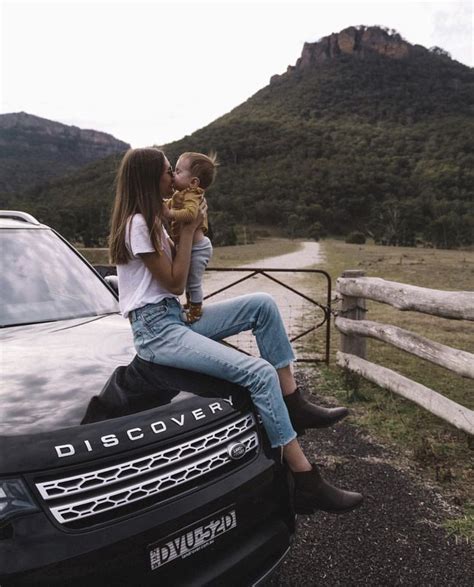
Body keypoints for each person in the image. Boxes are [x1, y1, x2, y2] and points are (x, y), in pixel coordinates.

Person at [109, 147, 363, 515]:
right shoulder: (137, 223)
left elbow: (178, 280)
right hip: (155, 331)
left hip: (170, 318)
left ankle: (294, 404)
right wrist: (190, 230)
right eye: (168, 171)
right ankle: (306, 480)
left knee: (261, 303)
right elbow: (176, 283)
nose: (172, 177)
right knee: (259, 374)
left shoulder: (153, 218)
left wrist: (191, 229)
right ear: (150, 179)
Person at [162, 152, 215, 323]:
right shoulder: (181, 195)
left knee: (193, 282)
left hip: (198, 248)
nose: (173, 175)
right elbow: (170, 203)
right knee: (189, 281)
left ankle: (196, 310)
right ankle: (190, 304)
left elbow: (192, 214)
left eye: (177, 172)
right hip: (191, 246)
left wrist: (170, 214)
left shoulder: (192, 195)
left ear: (193, 182)